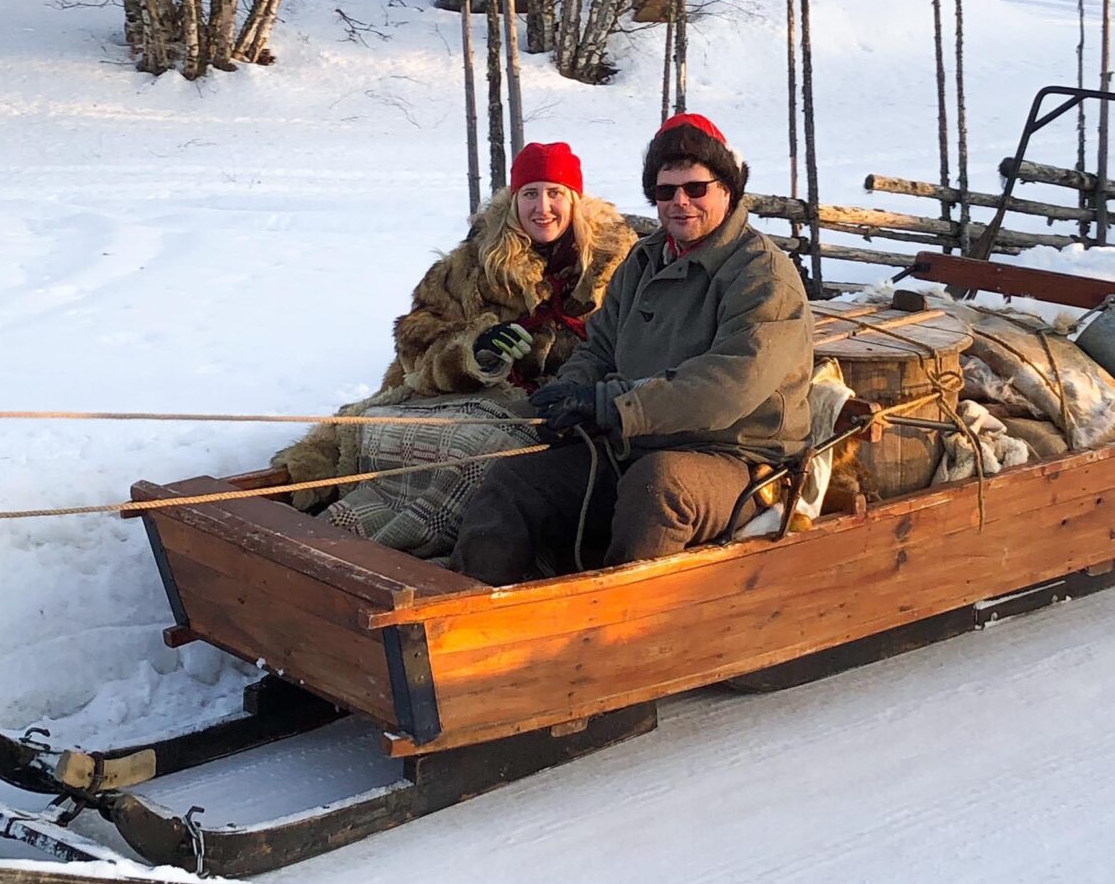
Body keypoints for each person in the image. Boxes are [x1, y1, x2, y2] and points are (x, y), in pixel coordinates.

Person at [449, 113, 815, 584]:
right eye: (666, 191)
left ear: (727, 188)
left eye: (695, 188)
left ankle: (613, 635)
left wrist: (614, 406)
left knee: (658, 485)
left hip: (735, 456)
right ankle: (469, 614)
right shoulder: (644, 260)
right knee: (514, 482)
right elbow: (599, 345)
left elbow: (728, 385)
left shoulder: (762, 274)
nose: (680, 202)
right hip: (635, 442)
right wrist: (570, 392)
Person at [272, 142, 638, 555]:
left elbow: (630, 346)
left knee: (477, 455)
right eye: (530, 194)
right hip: (468, 399)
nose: (543, 207)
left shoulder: (616, 267)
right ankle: (330, 541)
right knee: (399, 437)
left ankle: (395, 551)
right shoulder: (473, 263)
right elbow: (415, 342)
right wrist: (473, 350)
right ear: (513, 200)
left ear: (575, 199)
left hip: (562, 413)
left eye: (555, 193)